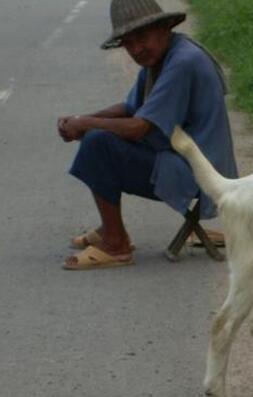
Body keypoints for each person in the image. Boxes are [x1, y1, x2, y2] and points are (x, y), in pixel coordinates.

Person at [57, 0, 237, 270]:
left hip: (203, 177)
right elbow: (131, 108)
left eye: (142, 37)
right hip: (191, 164)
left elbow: (139, 126)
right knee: (98, 136)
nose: (136, 49)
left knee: (98, 144)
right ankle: (110, 229)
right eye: (128, 43)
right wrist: (82, 119)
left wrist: (86, 124)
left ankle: (116, 244)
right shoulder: (165, 57)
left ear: (164, 28)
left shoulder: (182, 62)